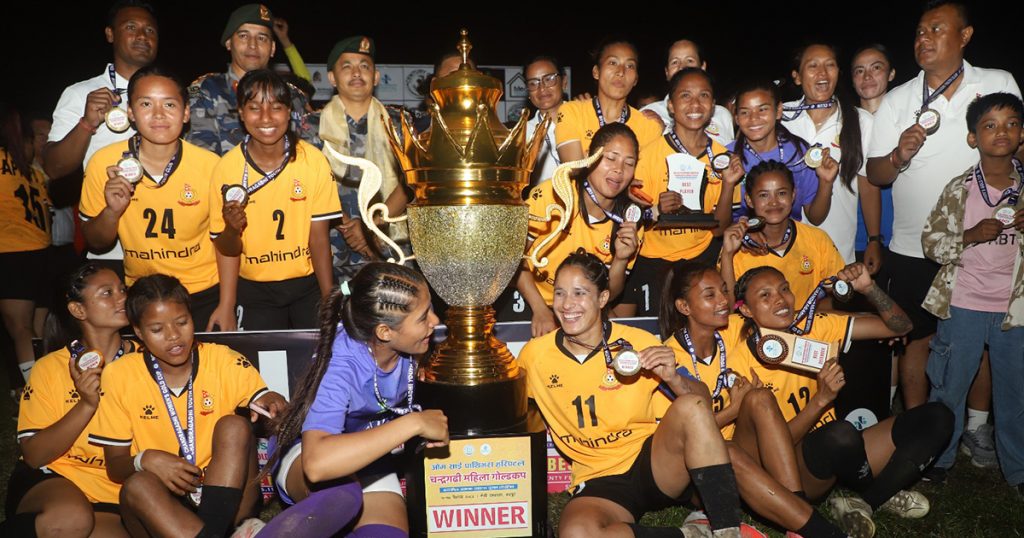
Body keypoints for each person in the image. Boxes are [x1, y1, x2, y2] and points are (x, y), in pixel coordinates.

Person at [519, 251, 762, 537]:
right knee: (576, 533)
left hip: (654, 464)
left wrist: (672, 376)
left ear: (602, 298)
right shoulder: (535, 355)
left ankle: (727, 530)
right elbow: (515, 414)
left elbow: (703, 402)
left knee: (691, 405)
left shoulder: (639, 342)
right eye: (560, 293)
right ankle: (689, 536)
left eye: (579, 293)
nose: (567, 304)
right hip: (599, 477)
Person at [864, 0, 1021, 419]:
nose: (924, 38)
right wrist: (898, 155)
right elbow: (876, 174)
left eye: (936, 29)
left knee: (981, 339)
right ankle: (918, 427)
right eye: (919, 31)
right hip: (914, 245)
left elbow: (1019, 146)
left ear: (964, 36)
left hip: (985, 244)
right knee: (916, 339)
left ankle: (977, 426)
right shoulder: (898, 98)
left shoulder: (997, 82)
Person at [730, 265, 953, 538]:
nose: (780, 299)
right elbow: (771, 448)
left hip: (837, 452)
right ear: (746, 310)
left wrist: (869, 288)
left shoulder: (814, 324)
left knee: (938, 417)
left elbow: (901, 326)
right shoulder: (739, 359)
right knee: (840, 434)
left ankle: (866, 502)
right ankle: (805, 516)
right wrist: (821, 400)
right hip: (792, 469)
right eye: (765, 295)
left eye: (784, 289)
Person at [88, 274, 287, 537]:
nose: (173, 336)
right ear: (138, 332)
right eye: (157, 330)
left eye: (182, 322)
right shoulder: (119, 375)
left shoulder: (222, 360)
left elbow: (268, 402)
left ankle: (213, 531)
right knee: (137, 485)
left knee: (234, 425)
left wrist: (273, 402)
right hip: (164, 506)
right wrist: (146, 459)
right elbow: (115, 467)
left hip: (227, 498)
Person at [260, 262, 448, 537]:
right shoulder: (340, 364)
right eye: (423, 318)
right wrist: (414, 423)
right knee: (341, 495)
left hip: (369, 456)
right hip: (306, 451)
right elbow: (317, 465)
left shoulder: (410, 344)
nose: (435, 321)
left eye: (430, 309)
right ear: (384, 332)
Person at [921, 93, 1024, 493]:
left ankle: (1017, 469)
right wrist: (969, 235)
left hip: (1014, 309)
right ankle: (937, 460)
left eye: (1011, 124)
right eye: (990, 125)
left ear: (1022, 134)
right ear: (972, 137)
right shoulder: (959, 188)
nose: (1002, 132)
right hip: (962, 302)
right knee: (949, 388)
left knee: (1014, 392)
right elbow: (931, 243)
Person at [79, 66, 234, 332]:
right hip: (142, 294)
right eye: (146, 104)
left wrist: (227, 304)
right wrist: (112, 211)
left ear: (186, 113)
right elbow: (96, 242)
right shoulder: (103, 163)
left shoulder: (211, 166)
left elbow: (224, 242)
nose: (159, 114)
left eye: (170, 104)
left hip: (203, 291)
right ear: (130, 112)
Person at [2, 264, 132, 537]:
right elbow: (34, 455)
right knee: (70, 519)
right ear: (78, 310)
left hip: (113, 490)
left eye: (122, 289)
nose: (122, 297)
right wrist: (86, 404)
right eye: (107, 292)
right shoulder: (51, 367)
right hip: (54, 477)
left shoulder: (147, 362)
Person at [210, 69, 342, 330]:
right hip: (255, 290)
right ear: (241, 112)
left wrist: (329, 297)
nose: (266, 117)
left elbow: (318, 238)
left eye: (276, 107)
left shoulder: (312, 161)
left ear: (289, 111)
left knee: (319, 353)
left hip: (307, 285)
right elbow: (226, 248)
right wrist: (227, 304)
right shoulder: (226, 168)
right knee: (261, 356)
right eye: (254, 108)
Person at [44, 0, 158, 275]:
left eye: (150, 30)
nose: (142, 36)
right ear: (110, 34)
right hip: (110, 244)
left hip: (169, 243)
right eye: (131, 27)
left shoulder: (172, 94)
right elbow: (54, 168)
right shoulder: (80, 93)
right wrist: (87, 123)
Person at [629, 68, 744, 316]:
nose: (695, 104)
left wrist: (728, 184)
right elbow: (631, 220)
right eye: (685, 96)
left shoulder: (724, 159)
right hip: (653, 261)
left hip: (701, 260)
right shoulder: (646, 156)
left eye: (704, 95)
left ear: (713, 105)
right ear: (671, 105)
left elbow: (720, 230)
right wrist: (656, 210)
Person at [518, 123, 643, 336]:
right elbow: (513, 258)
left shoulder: (630, 219)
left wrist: (621, 259)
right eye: (610, 158)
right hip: (532, 297)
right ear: (589, 157)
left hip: (584, 308)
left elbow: (609, 293)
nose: (619, 170)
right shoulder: (554, 193)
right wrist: (540, 309)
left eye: (629, 163)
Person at [317, 36, 413, 283]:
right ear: (332, 78)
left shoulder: (399, 124)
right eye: (347, 66)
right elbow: (309, 186)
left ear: (376, 77)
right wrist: (349, 226)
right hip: (333, 248)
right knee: (340, 305)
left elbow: (410, 181)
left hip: (390, 243)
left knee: (397, 304)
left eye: (364, 66)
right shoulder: (312, 126)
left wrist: (371, 226)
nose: (356, 73)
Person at [784, 43, 879, 267]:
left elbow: (867, 185)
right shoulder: (782, 117)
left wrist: (874, 239)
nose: (823, 73)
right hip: (785, 246)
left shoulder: (861, 121)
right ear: (797, 77)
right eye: (813, 66)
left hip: (838, 245)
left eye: (830, 65)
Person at [187, 3, 316, 156]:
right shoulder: (205, 90)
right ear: (229, 43)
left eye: (261, 38)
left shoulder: (294, 96)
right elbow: (201, 155)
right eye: (243, 36)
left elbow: (310, 154)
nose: (253, 45)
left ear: (272, 48)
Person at [719, 161, 843, 309]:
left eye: (782, 193)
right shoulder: (736, 246)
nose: (774, 202)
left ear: (793, 195)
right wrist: (727, 254)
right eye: (764, 195)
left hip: (811, 322)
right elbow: (729, 309)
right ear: (749, 200)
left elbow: (838, 296)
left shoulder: (817, 239)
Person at [729, 81, 835, 225]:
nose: (754, 118)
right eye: (745, 112)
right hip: (741, 238)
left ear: (778, 111)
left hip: (790, 237)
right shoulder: (727, 158)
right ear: (736, 118)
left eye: (762, 109)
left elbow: (815, 218)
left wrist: (826, 182)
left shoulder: (800, 154)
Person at [0, 104, 52, 385]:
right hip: (42, 254)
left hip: (13, 253)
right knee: (36, 330)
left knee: (19, 328)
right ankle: (48, 387)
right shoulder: (34, 173)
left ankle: (37, 394)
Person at [554, 38, 662, 164]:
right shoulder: (573, 112)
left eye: (630, 66)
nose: (621, 72)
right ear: (596, 72)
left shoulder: (650, 127)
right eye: (612, 63)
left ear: (635, 79)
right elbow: (573, 169)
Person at [640, 39, 735, 145]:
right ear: (667, 72)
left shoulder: (722, 115)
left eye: (690, 61)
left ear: (703, 67)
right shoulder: (649, 114)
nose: (682, 67)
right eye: (675, 62)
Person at [524, 55, 568, 190]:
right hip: (541, 202)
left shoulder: (584, 118)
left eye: (549, 79)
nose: (542, 88)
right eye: (533, 83)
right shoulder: (523, 134)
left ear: (564, 82)